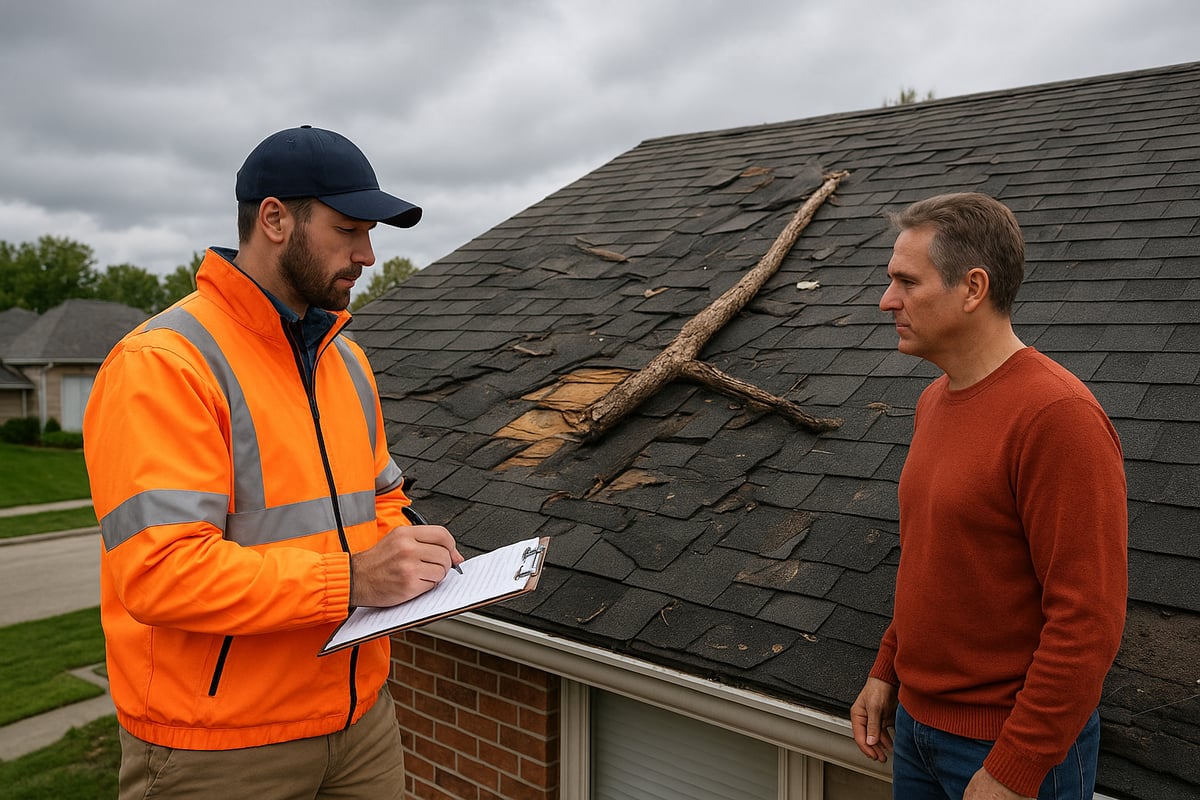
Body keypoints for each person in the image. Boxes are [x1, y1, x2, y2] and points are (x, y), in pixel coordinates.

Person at [84, 125, 463, 799]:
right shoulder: (165, 365)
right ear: (276, 219)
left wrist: (411, 556)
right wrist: (353, 580)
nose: (368, 254)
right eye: (349, 230)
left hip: (361, 723)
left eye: (370, 233)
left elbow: (380, 498)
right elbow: (160, 574)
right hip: (221, 747)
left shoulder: (345, 359)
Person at [851, 192, 1127, 800]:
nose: (886, 299)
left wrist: (1015, 766)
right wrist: (887, 669)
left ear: (972, 288)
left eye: (905, 280)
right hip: (917, 734)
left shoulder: (1058, 417)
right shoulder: (934, 401)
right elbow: (933, 558)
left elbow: (1088, 621)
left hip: (1007, 748)